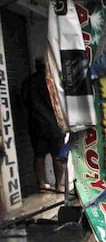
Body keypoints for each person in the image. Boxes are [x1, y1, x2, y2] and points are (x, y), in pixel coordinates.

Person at [21, 58, 65, 193]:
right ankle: (58, 185)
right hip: (54, 125)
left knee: (39, 155)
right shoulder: (53, 81)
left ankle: (41, 184)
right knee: (57, 156)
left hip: (36, 125)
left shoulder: (28, 82)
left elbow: (23, 102)